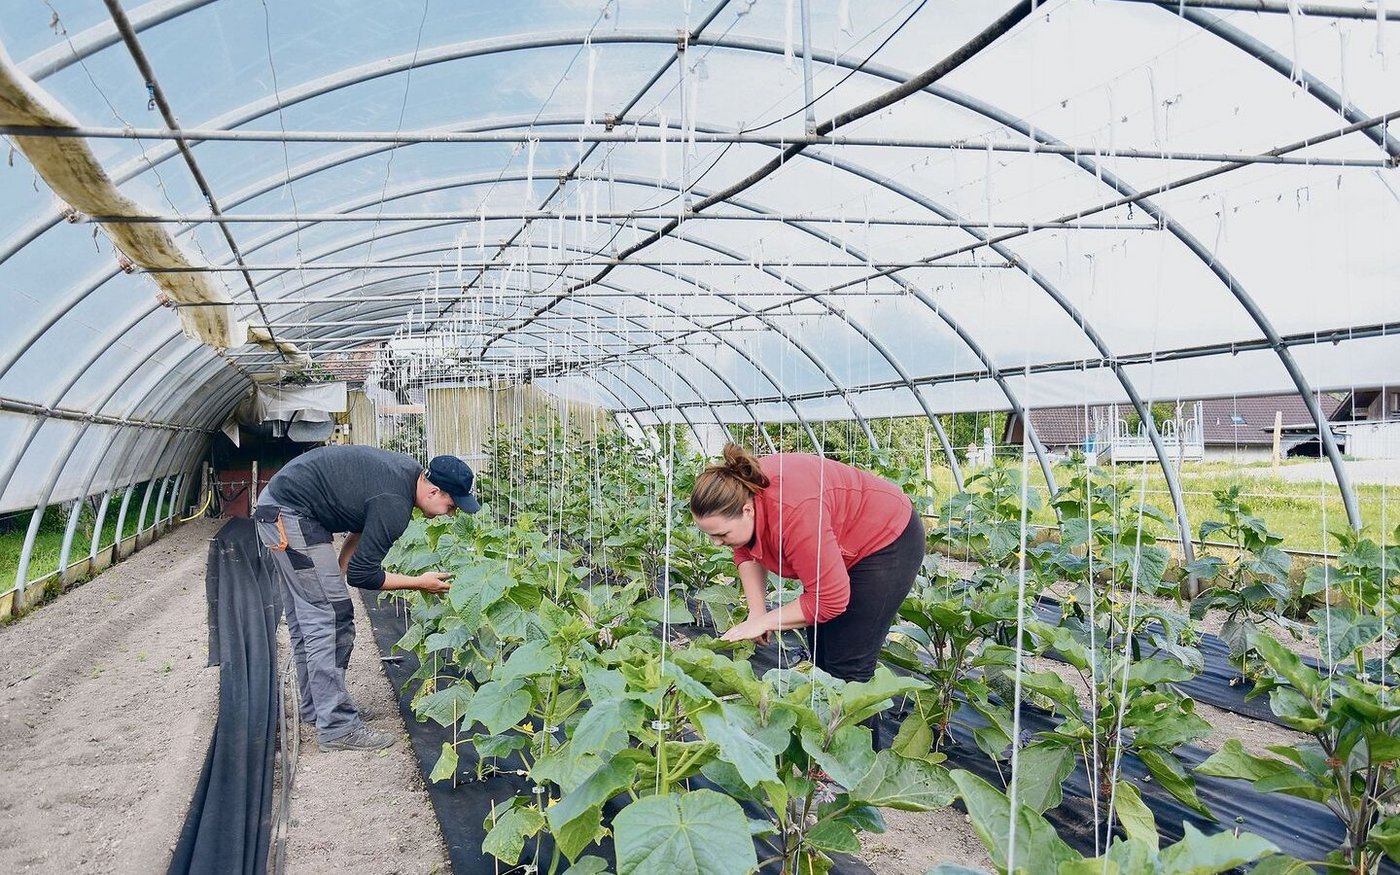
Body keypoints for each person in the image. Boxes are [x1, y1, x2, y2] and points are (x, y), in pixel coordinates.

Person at [690, 443, 925, 741]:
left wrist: (765, 622)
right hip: (837, 538)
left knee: (849, 671)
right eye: (710, 535)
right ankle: (824, 750)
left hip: (884, 539)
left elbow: (830, 600)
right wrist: (757, 612)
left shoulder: (793, 512)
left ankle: (857, 764)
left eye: (721, 534)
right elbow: (746, 550)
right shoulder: (742, 492)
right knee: (823, 660)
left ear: (748, 510)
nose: (717, 543)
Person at [254, 445, 480, 751]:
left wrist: (336, 570)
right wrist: (419, 583)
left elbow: (360, 524)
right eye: (452, 506)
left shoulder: (404, 476)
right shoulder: (395, 504)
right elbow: (362, 575)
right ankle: (337, 726)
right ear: (433, 491)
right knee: (331, 618)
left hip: (281, 509)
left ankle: (317, 708)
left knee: (311, 614)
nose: (451, 514)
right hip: (291, 515)